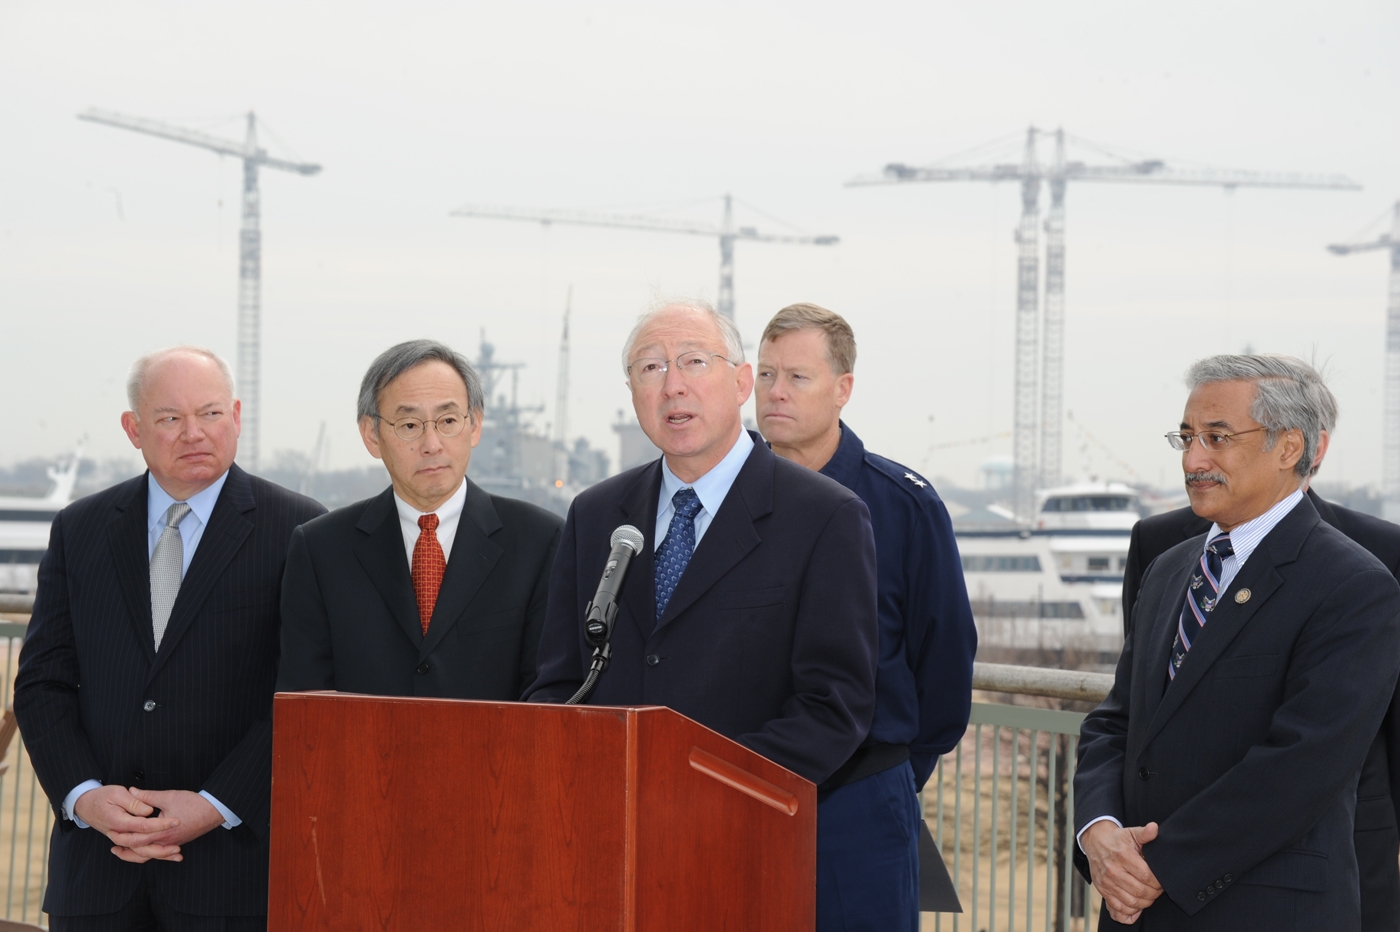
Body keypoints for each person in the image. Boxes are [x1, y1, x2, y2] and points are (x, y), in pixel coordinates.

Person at [1074, 354, 1400, 929]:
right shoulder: (1170, 569)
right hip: (1136, 906)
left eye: (1217, 438)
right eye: (1187, 437)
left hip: (1261, 908)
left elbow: (1301, 767)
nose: (1193, 459)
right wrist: (1098, 832)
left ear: (1289, 448)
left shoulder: (1355, 585)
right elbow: (1116, 722)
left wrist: (1156, 867)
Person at [14, 347, 325, 931]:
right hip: (97, 872)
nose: (193, 434)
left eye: (209, 414)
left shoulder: (301, 530)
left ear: (235, 415)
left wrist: (214, 805)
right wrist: (83, 797)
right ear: (134, 429)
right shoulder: (79, 528)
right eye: (169, 418)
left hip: (234, 875)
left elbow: (305, 691)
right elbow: (42, 683)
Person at [525, 298, 879, 788]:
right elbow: (558, 685)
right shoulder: (596, 515)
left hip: (740, 827)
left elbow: (833, 708)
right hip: (601, 820)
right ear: (633, 392)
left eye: (694, 361)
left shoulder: (824, 517)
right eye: (651, 368)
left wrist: (700, 784)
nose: (672, 386)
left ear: (740, 383)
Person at [753, 303, 976, 932]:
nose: (775, 392)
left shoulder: (903, 506)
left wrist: (893, 775)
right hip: (733, 785)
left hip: (860, 797)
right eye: (766, 374)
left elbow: (945, 664)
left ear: (842, 389)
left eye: (797, 377)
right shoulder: (716, 501)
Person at [277, 340, 562, 700]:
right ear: (371, 435)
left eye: (447, 421)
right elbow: (304, 704)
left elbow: (547, 698)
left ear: (474, 426)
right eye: (409, 425)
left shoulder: (541, 542)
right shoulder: (320, 549)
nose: (432, 444)